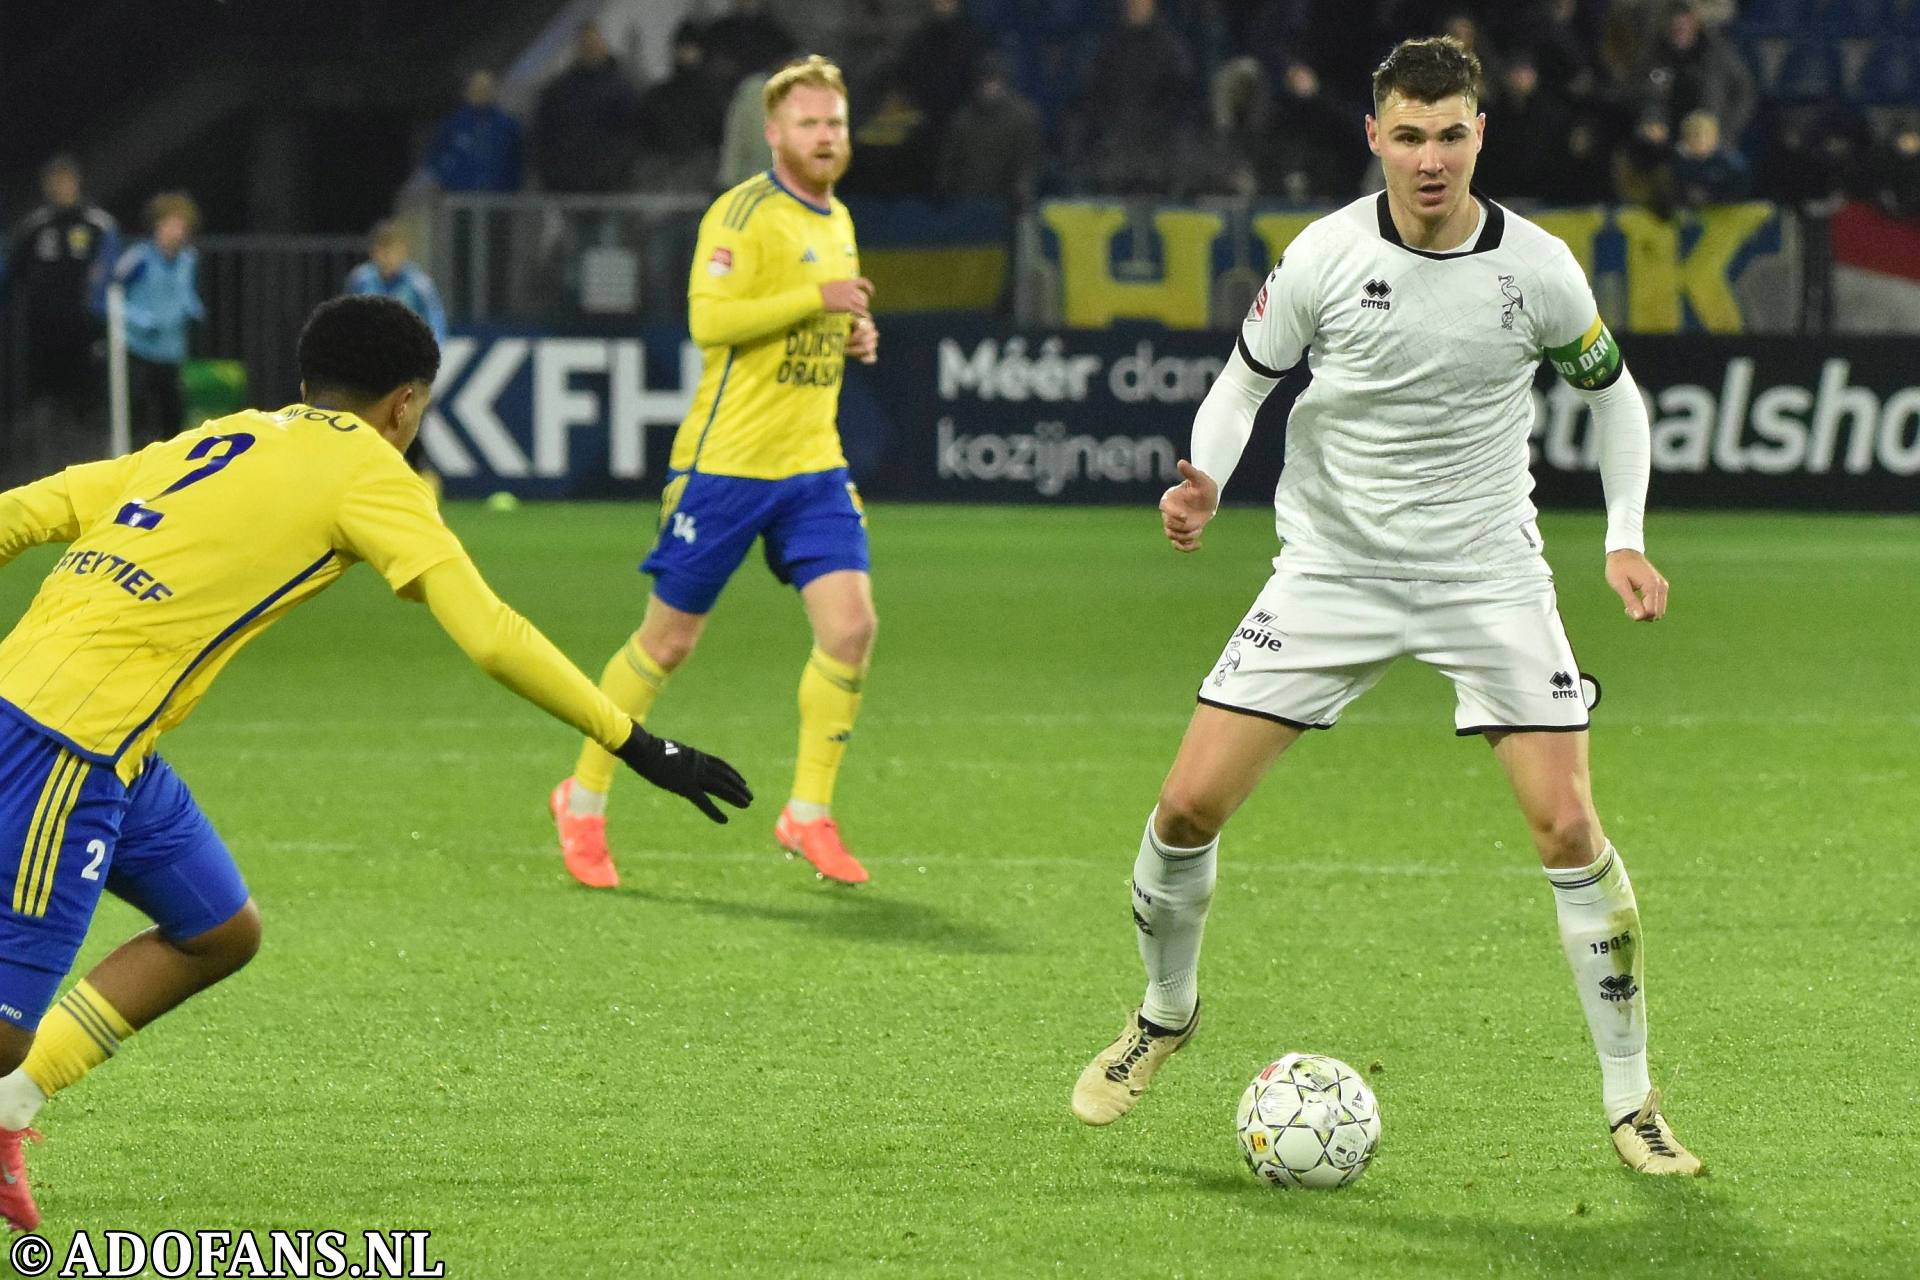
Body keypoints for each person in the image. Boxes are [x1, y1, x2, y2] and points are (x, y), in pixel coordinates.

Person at [1068, 35, 1703, 1178]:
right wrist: (1207, 478)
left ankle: (1632, 1100)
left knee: (1568, 828)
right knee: (1185, 806)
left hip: (1487, 576)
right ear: (1375, 136)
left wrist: (1624, 535)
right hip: (1333, 571)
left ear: (1479, 135)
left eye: (1450, 134)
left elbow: (1617, 399)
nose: (1430, 159)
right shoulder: (1324, 254)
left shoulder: (1539, 269)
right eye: (1408, 136)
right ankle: (1163, 1013)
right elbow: (1243, 382)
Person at [0, 295, 750, 1231]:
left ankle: (11, 1108)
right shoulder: (371, 473)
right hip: (68, 745)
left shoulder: (222, 435)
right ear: (404, 405)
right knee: (4, 1031)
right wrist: (634, 741)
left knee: (219, 928)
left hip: (101, 735)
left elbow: (23, 512)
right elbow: (491, 634)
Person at [552, 56, 879, 890]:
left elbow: (817, 317)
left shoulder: (838, 217)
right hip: (726, 466)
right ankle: (582, 799)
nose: (825, 137)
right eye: (809, 124)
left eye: (835, 123)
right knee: (668, 642)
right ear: (773, 133)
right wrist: (818, 301)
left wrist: (850, 333)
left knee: (850, 630)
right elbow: (710, 321)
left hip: (813, 466)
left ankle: (808, 812)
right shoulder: (741, 213)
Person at [1, 155, 118, 474]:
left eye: (66, 181)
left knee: (85, 399)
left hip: (85, 331)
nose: (61, 188)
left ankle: (86, 463)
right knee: (44, 400)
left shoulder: (98, 225)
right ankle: (43, 466)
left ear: (76, 184)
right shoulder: (35, 227)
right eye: (56, 182)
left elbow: (111, 271)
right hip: (43, 332)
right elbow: (12, 275)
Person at [112, 192, 206, 448]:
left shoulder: (188, 260)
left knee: (172, 414)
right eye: (170, 225)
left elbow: (184, 292)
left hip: (172, 350)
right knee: (137, 412)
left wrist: (193, 308)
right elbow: (111, 297)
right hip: (139, 348)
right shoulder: (138, 259)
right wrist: (139, 319)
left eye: (181, 226)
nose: (176, 232)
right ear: (157, 225)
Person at [345, 221, 448, 345]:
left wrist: (434, 348)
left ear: (403, 252)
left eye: (393, 252)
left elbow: (435, 319)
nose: (387, 258)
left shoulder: (419, 283)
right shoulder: (360, 280)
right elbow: (348, 317)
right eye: (382, 252)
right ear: (373, 252)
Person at [426, 70, 523, 195]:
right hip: (460, 194)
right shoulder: (454, 125)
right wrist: (447, 179)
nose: (481, 94)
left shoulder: (507, 126)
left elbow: (517, 161)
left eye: (485, 90)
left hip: (498, 195)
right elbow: (436, 158)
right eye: (477, 89)